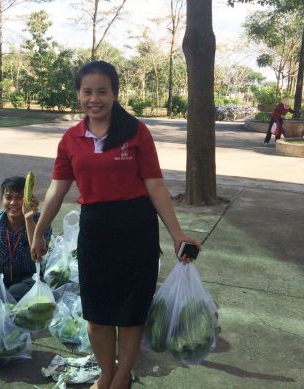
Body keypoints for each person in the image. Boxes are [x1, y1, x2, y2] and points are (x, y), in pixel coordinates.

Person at [30, 61, 202, 389]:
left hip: (137, 230)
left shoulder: (136, 132)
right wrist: (39, 230)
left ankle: (122, 377)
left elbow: (155, 186)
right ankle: (106, 373)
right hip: (95, 230)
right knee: (97, 314)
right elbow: (57, 189)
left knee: (131, 313)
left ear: (115, 94)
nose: (94, 98)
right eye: (87, 91)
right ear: (78, 94)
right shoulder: (71, 139)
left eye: (102, 91)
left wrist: (177, 234)